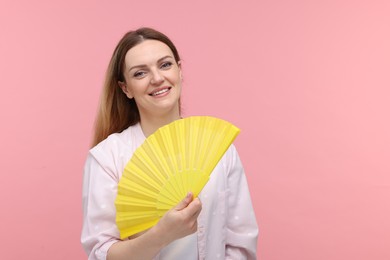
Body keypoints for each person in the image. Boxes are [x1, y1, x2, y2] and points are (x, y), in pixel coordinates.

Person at [81, 27, 258, 260]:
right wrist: (162, 234)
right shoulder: (107, 158)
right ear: (126, 88)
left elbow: (240, 244)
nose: (157, 78)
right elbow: (101, 253)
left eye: (165, 65)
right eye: (140, 73)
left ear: (180, 70)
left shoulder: (221, 150)